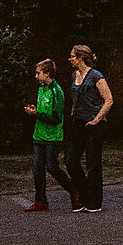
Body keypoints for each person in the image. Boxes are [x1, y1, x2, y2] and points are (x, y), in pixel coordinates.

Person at [66, 44, 113, 213]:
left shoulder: (95, 76)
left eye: (72, 56)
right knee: (70, 159)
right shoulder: (74, 75)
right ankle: (84, 193)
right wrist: (74, 110)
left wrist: (97, 119)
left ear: (81, 58)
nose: (69, 59)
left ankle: (95, 201)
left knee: (93, 163)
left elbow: (108, 99)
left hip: (95, 124)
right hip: (79, 123)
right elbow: (76, 96)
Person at [22, 58, 73, 212]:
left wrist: (38, 114)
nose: (36, 76)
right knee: (37, 168)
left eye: (38, 73)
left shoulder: (57, 92)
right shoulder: (42, 89)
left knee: (52, 166)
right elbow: (43, 109)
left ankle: (74, 189)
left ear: (47, 74)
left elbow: (56, 117)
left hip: (52, 136)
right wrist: (35, 111)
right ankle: (40, 200)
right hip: (39, 134)